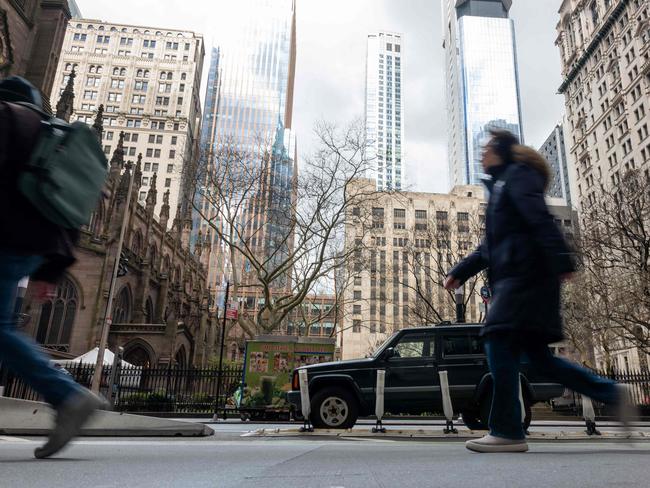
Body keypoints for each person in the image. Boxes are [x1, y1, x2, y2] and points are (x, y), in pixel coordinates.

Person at [445, 128, 634, 453]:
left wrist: (563, 260)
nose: (482, 154)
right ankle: (612, 394)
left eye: (487, 148)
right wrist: (459, 273)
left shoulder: (517, 177)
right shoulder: (501, 188)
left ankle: (507, 430)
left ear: (502, 152)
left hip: (525, 281)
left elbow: (540, 219)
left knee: (497, 342)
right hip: (520, 282)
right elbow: (488, 247)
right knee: (541, 361)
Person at [0, 76, 106, 459]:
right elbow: (70, 209)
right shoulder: (53, 135)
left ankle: (68, 394)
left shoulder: (8, 118)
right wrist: (52, 269)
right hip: (35, 247)